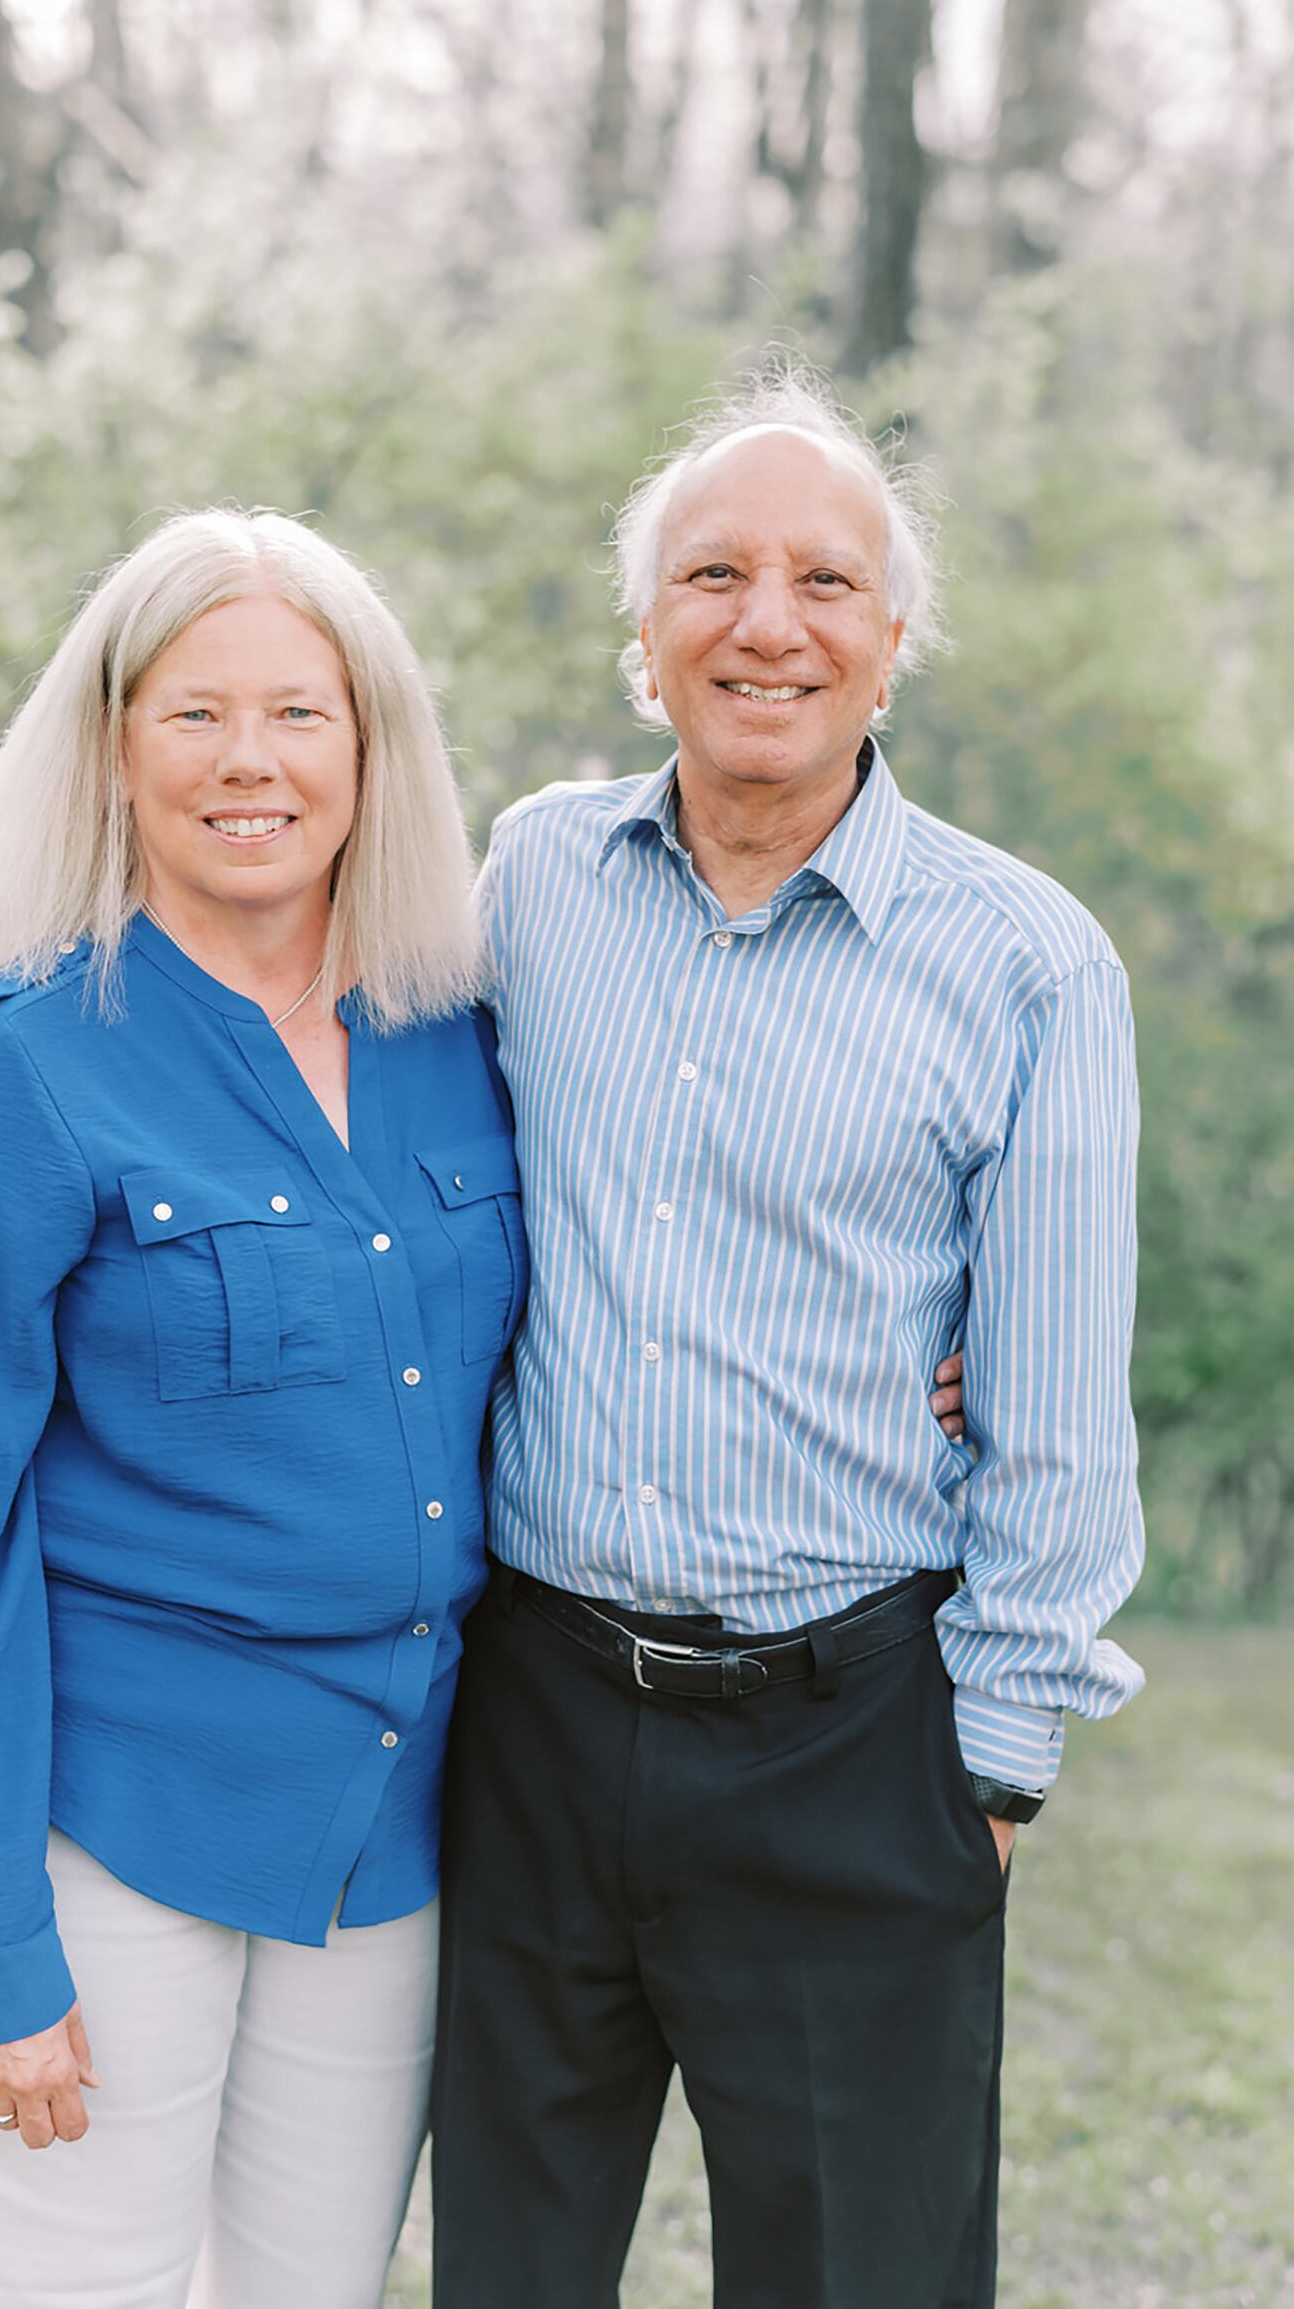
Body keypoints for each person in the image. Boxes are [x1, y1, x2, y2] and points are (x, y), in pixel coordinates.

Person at [430, 367, 1146, 2309]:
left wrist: (986, 1779)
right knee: (506, 2269)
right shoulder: (525, 885)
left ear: (892, 640)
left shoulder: (1021, 964)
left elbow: (1058, 1415)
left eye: (824, 579)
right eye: (711, 572)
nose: (767, 619)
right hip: (536, 1715)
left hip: (852, 1735)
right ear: (642, 637)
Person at [0, 508, 529, 2309]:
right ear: (111, 749)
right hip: (104, 1834)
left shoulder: (455, 1032)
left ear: (373, 750)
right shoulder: (16, 1064)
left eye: (303, 714)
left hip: (379, 1844)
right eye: (194, 713)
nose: (253, 761)